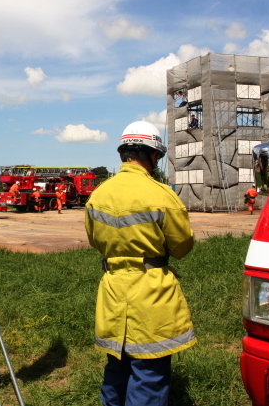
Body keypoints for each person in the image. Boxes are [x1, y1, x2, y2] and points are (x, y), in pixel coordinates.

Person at [84, 121, 197, 406]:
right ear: (153, 155)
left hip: (112, 290)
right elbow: (182, 246)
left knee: (116, 368)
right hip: (151, 294)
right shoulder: (162, 195)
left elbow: (96, 241)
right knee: (149, 373)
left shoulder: (98, 196)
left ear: (123, 154)